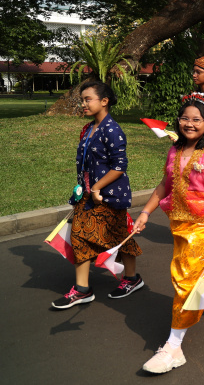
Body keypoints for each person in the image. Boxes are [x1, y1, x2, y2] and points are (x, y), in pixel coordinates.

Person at [133, 94, 204, 374]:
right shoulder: (174, 151)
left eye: (196, 119)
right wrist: (145, 213)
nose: (189, 124)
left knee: (187, 283)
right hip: (180, 226)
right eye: (184, 118)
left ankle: (173, 347)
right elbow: (164, 185)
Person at [52, 80, 143, 309]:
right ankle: (82, 289)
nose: (83, 104)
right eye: (82, 100)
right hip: (88, 195)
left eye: (87, 99)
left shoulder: (113, 130)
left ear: (104, 101)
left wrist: (96, 188)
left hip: (107, 195)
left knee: (119, 236)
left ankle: (131, 279)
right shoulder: (89, 128)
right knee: (80, 235)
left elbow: (120, 165)